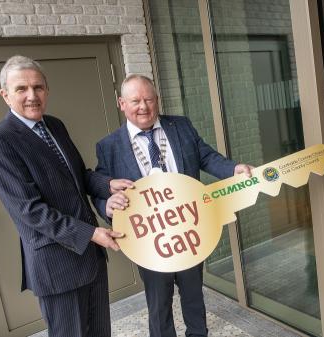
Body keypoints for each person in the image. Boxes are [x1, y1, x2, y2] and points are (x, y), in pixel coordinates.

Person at [0, 55, 132, 337]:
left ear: (47, 90)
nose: (32, 96)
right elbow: (30, 210)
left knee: (100, 332)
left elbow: (77, 175)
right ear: (5, 95)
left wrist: (108, 184)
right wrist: (90, 233)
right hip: (57, 265)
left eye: (38, 87)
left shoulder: (54, 125)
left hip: (91, 258)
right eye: (21, 89)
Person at [93, 74, 252, 337]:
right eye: (135, 101)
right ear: (121, 103)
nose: (143, 106)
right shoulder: (108, 146)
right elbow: (101, 188)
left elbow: (206, 157)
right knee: (158, 303)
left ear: (157, 100)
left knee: (193, 295)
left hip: (189, 230)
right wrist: (107, 206)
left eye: (149, 99)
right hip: (149, 239)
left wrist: (233, 168)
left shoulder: (181, 126)